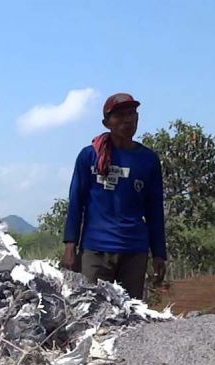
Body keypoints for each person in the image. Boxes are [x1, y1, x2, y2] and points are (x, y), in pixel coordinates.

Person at [62, 92, 166, 300]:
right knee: (90, 310)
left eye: (132, 114)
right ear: (106, 122)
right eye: (119, 115)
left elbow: (155, 210)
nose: (127, 120)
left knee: (130, 311)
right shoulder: (90, 156)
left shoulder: (148, 160)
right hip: (96, 249)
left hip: (134, 251)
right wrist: (70, 246)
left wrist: (159, 253)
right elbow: (76, 202)